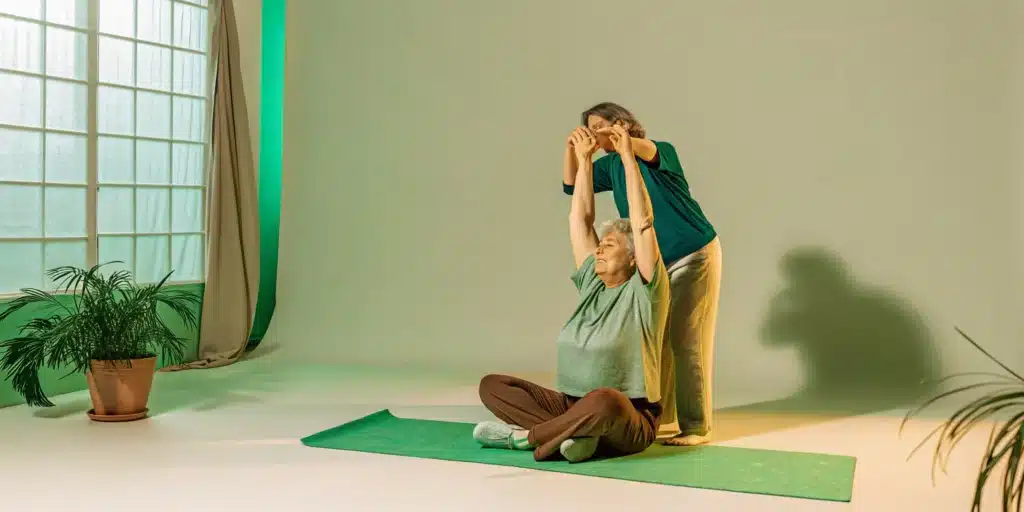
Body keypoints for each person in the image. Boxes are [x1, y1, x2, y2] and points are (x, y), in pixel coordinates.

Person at [473, 125, 670, 463]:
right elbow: (580, 219)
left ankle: (525, 439)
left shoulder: (645, 292)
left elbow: (642, 223)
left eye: (608, 246)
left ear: (634, 256)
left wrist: (626, 157)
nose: (599, 251)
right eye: (600, 246)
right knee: (493, 386)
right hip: (571, 405)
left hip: (628, 416)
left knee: (606, 400)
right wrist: (584, 162)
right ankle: (579, 436)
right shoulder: (592, 283)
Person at [563, 102, 722, 446]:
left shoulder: (660, 150)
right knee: (655, 338)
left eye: (600, 125)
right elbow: (570, 184)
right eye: (590, 127)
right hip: (656, 262)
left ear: (622, 124)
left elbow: (644, 150)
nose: (596, 133)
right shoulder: (612, 166)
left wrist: (622, 140)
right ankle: (664, 416)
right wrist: (574, 149)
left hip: (694, 253)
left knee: (686, 339)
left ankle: (697, 427)